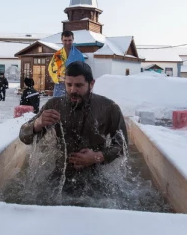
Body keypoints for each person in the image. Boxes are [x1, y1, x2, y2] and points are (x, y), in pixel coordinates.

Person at [19, 62, 127, 193]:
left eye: (79, 85)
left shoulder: (108, 108)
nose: (72, 90)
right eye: (69, 84)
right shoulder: (54, 105)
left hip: (95, 179)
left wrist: (96, 156)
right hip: (60, 177)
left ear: (91, 84)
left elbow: (122, 145)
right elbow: (24, 137)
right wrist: (37, 124)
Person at [48, 31, 84, 97]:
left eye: (69, 40)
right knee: (57, 105)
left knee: (73, 105)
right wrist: (57, 79)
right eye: (65, 40)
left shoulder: (79, 55)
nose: (67, 43)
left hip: (74, 86)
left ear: (73, 39)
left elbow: (83, 71)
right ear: (62, 40)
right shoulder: (57, 55)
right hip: (59, 86)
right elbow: (51, 69)